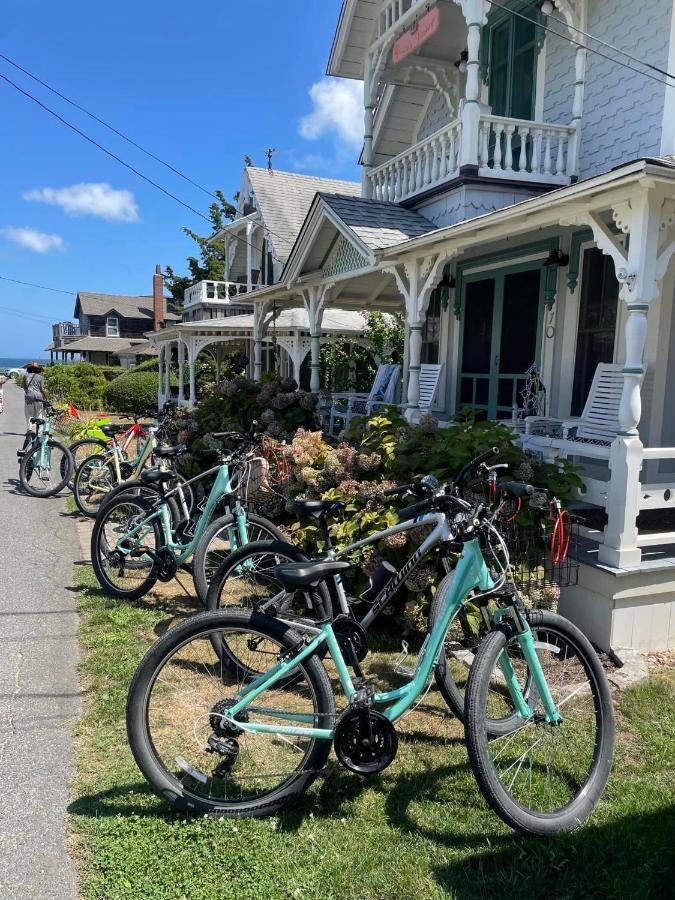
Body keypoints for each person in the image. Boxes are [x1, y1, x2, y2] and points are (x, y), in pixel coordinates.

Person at [23, 362, 47, 428]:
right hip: (39, 397)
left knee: (29, 414)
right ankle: (39, 432)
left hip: (29, 397)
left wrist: (28, 393)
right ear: (38, 370)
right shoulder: (41, 377)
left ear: (29, 369)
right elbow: (42, 389)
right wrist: (46, 398)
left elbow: (25, 387)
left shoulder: (25, 375)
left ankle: (30, 429)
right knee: (39, 414)